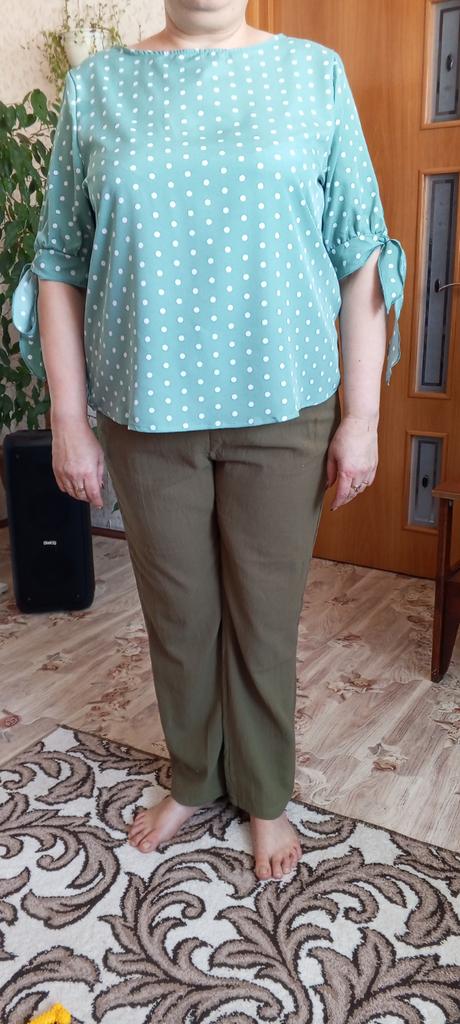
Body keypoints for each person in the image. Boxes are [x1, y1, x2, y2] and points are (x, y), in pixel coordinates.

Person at [12, 0, 406, 882]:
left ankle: (264, 794)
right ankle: (193, 775)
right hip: (145, 412)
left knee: (265, 619)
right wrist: (69, 420)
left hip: (286, 405)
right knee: (180, 619)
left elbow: (360, 254)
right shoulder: (97, 89)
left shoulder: (314, 75)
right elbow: (60, 265)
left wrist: (363, 417)